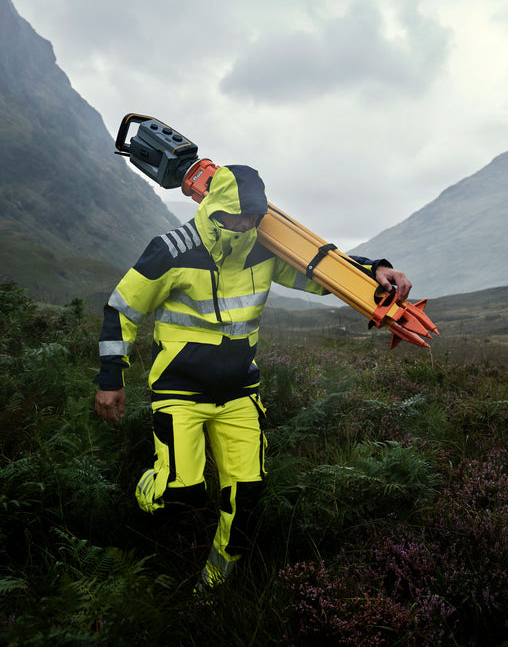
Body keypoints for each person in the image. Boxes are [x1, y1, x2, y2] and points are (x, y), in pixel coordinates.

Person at [93, 164, 411, 594]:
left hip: (240, 392)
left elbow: (320, 274)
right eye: (236, 216)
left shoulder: (263, 250)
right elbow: (122, 309)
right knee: (180, 496)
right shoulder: (170, 250)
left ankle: (213, 585)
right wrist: (111, 378)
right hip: (179, 390)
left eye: (253, 217)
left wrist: (374, 270)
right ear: (213, 207)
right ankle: (156, 483)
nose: (245, 225)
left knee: (246, 499)